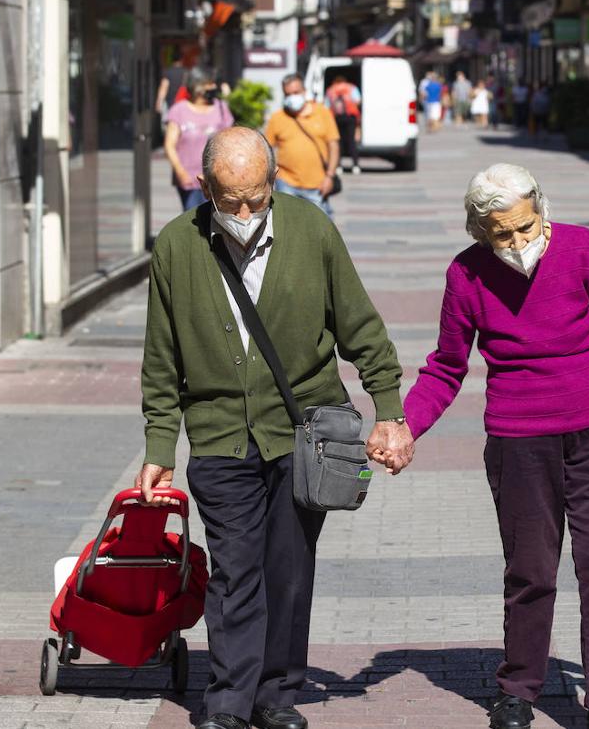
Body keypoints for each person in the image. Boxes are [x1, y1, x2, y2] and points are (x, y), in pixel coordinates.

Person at [137, 126, 415, 729]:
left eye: (256, 198)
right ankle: (229, 701)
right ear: (205, 185)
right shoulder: (176, 246)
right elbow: (161, 357)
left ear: (274, 181)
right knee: (237, 569)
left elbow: (361, 328)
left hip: (301, 430)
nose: (242, 212)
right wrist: (160, 444)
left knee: (288, 569)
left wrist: (389, 410)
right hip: (218, 434)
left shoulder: (311, 230)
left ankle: (276, 695)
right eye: (228, 199)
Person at [401, 163, 589, 729]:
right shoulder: (467, 274)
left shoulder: (582, 248)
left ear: (541, 210)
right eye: (501, 234)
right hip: (519, 438)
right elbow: (447, 365)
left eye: (525, 228)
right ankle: (518, 689)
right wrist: (406, 426)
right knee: (530, 568)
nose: (516, 243)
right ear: (480, 231)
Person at [264, 73, 341, 215]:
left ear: (304, 92)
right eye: (287, 94)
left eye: (296, 92)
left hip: (318, 184)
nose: (292, 97)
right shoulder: (278, 117)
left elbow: (333, 145)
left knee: (320, 229)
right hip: (286, 183)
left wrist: (330, 176)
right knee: (288, 227)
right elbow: (266, 149)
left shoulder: (322, 112)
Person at [163, 67, 234, 211]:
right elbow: (169, 145)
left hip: (217, 179)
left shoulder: (221, 107)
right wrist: (180, 171)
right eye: (210, 84)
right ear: (197, 87)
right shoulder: (179, 110)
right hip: (189, 178)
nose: (214, 87)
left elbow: (231, 139)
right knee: (194, 220)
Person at [324, 73, 362, 175]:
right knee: (351, 141)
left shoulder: (331, 90)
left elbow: (326, 105)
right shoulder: (351, 88)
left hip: (336, 118)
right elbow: (358, 101)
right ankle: (355, 165)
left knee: (338, 142)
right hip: (350, 117)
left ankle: (339, 166)